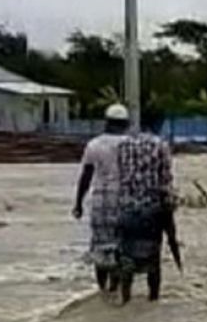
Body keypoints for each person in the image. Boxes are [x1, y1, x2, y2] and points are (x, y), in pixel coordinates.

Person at [73, 104, 131, 292]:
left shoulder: (94, 145)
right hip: (124, 200)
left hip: (99, 201)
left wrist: (78, 204)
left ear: (106, 122)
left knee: (100, 244)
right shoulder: (131, 144)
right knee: (121, 243)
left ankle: (102, 289)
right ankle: (117, 285)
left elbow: (86, 176)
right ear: (126, 123)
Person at [114, 125, 176, 303]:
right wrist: (169, 212)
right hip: (151, 210)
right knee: (153, 259)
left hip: (126, 209)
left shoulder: (123, 146)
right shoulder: (160, 145)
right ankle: (153, 300)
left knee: (126, 256)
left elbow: (120, 175)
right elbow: (165, 182)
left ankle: (126, 299)